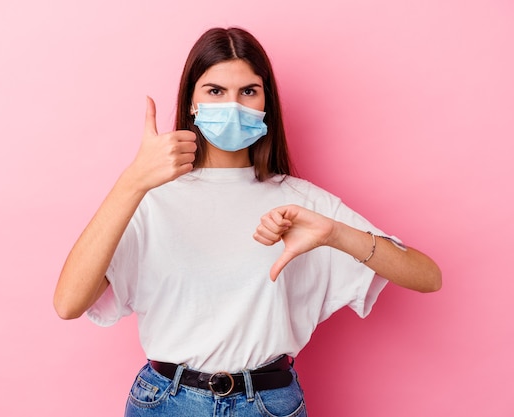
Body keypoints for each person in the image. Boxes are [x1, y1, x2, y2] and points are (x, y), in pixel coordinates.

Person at [53, 27, 442, 417]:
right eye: (216, 91)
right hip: (166, 402)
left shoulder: (302, 202)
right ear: (191, 100)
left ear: (265, 103)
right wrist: (132, 181)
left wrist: (335, 233)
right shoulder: (149, 199)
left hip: (268, 404)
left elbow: (427, 276)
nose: (233, 106)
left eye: (248, 92)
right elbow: (68, 303)